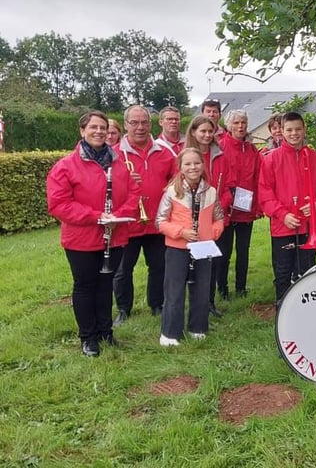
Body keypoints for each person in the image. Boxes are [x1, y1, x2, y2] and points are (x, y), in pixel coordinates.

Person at [46, 111, 140, 356]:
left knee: (105, 285)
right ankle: (88, 337)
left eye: (103, 127)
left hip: (115, 235)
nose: (99, 132)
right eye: (93, 127)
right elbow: (59, 204)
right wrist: (96, 216)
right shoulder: (65, 166)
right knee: (86, 286)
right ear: (82, 131)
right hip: (82, 240)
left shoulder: (118, 161)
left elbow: (133, 193)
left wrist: (118, 215)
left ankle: (105, 332)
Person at [113, 105, 177, 326]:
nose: (140, 127)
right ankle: (123, 309)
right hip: (127, 223)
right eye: (134, 123)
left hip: (156, 222)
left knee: (158, 267)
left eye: (144, 123)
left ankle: (156, 305)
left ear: (150, 124)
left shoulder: (164, 151)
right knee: (123, 270)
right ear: (125, 125)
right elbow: (105, 187)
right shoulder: (114, 153)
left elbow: (176, 180)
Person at [259, 111, 316, 301]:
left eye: (298, 129)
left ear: (304, 129)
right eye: (289, 130)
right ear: (281, 131)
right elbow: (265, 194)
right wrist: (282, 214)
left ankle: (306, 309)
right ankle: (282, 311)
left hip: (309, 225)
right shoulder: (271, 159)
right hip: (284, 227)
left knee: (307, 271)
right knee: (283, 273)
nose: (294, 133)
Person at [156, 148, 225, 346]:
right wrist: (181, 232)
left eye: (196, 163)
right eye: (187, 164)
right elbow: (160, 221)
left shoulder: (210, 191)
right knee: (174, 291)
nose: (193, 167)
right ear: (180, 168)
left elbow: (219, 218)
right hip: (178, 249)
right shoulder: (172, 191)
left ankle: (198, 327)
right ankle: (170, 333)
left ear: (203, 166)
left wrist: (211, 234)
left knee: (202, 289)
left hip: (203, 248)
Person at [184, 115, 235, 316]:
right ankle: (196, 304)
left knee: (213, 262)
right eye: (202, 131)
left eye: (210, 131)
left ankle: (210, 302)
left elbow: (229, 186)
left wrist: (217, 207)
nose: (206, 135)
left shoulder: (221, 156)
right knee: (194, 263)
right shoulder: (186, 155)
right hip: (193, 218)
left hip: (216, 217)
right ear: (194, 132)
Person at [217, 110, 262, 298]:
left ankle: (241, 287)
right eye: (236, 123)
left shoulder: (252, 150)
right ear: (229, 125)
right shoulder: (220, 147)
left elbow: (259, 178)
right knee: (224, 251)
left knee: (243, 250)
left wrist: (258, 206)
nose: (240, 126)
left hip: (246, 207)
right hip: (226, 208)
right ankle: (222, 288)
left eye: (243, 122)